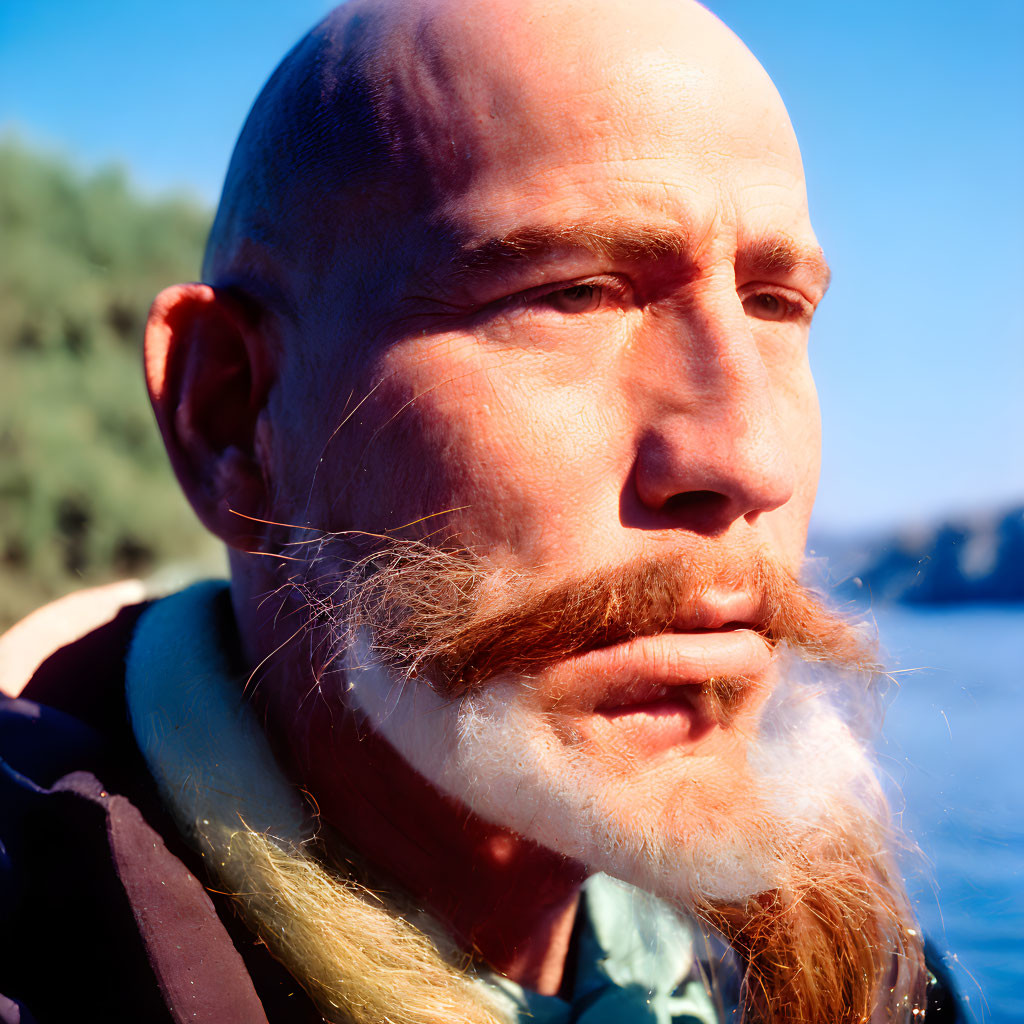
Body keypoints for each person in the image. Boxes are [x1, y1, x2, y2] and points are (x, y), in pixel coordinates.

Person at [0, 0, 964, 1021]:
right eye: (571, 294)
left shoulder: (849, 981)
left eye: (774, 304)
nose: (745, 456)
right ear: (232, 415)